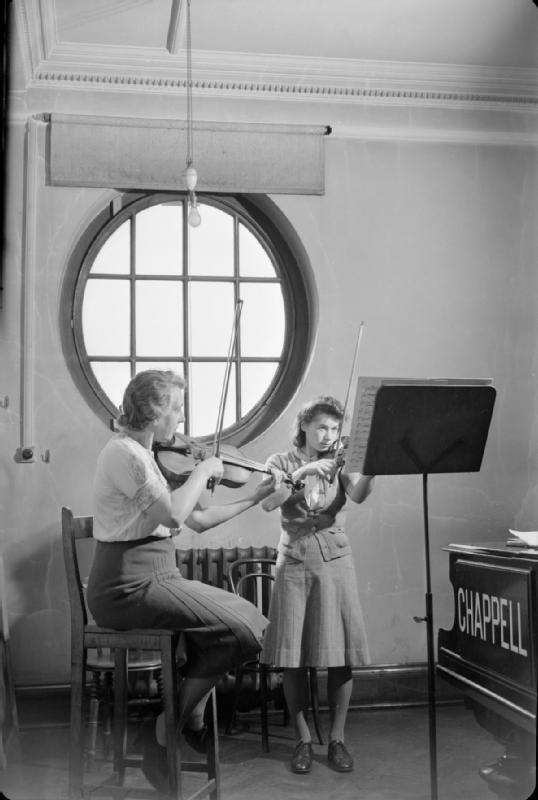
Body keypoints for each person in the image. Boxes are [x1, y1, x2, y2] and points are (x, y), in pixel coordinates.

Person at [86, 369, 279, 793]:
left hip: (159, 574)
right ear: (155, 413)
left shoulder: (145, 455)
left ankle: (173, 721)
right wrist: (205, 468)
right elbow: (173, 515)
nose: (182, 420)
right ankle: (167, 725)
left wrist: (256, 495)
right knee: (244, 628)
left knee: (249, 624)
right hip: (126, 585)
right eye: (177, 408)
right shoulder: (124, 454)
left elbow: (201, 519)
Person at [260, 395, 374, 775]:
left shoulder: (342, 460)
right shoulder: (280, 462)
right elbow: (269, 501)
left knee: (339, 656)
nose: (328, 435)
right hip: (293, 562)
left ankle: (338, 739)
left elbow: (357, 494)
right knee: (292, 659)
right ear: (305, 427)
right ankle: (303, 740)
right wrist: (308, 469)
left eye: (334, 429)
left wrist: (370, 469)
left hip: (335, 561)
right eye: (322, 427)